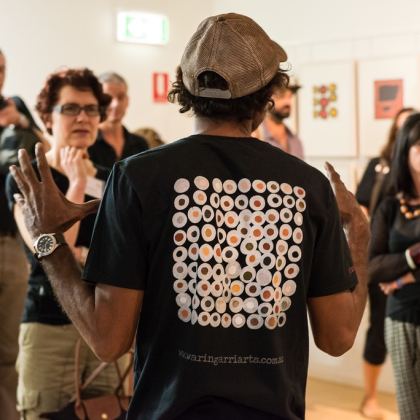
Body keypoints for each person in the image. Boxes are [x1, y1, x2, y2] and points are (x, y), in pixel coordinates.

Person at [9, 13, 369, 420]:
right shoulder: (308, 186)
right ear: (268, 92)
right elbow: (338, 337)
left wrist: (49, 243)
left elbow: (108, 340)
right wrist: (358, 238)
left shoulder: (137, 178)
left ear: (183, 85)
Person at [6, 68, 128, 419]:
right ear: (46, 116)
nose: (83, 118)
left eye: (91, 110)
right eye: (70, 109)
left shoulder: (111, 178)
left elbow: (122, 255)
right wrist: (75, 184)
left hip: (104, 326)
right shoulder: (28, 176)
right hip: (50, 328)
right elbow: (47, 253)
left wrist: (84, 254)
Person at [356, 107, 415, 419]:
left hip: (408, 266)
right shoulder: (379, 167)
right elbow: (360, 206)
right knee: (378, 330)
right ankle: (370, 397)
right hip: (384, 260)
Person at [0, 48, 43, 420]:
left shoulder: (14, 109)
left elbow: (45, 150)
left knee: (8, 349)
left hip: (8, 242)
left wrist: (22, 125)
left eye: (0, 69)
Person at [88, 72, 148, 168]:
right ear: (97, 102)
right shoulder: (87, 143)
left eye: (121, 97)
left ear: (127, 101)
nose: (115, 104)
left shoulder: (140, 144)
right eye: (108, 98)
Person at [253, 81, 304, 159]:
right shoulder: (255, 136)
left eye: (290, 96)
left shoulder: (295, 141)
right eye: (282, 96)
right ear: (267, 98)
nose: (288, 102)